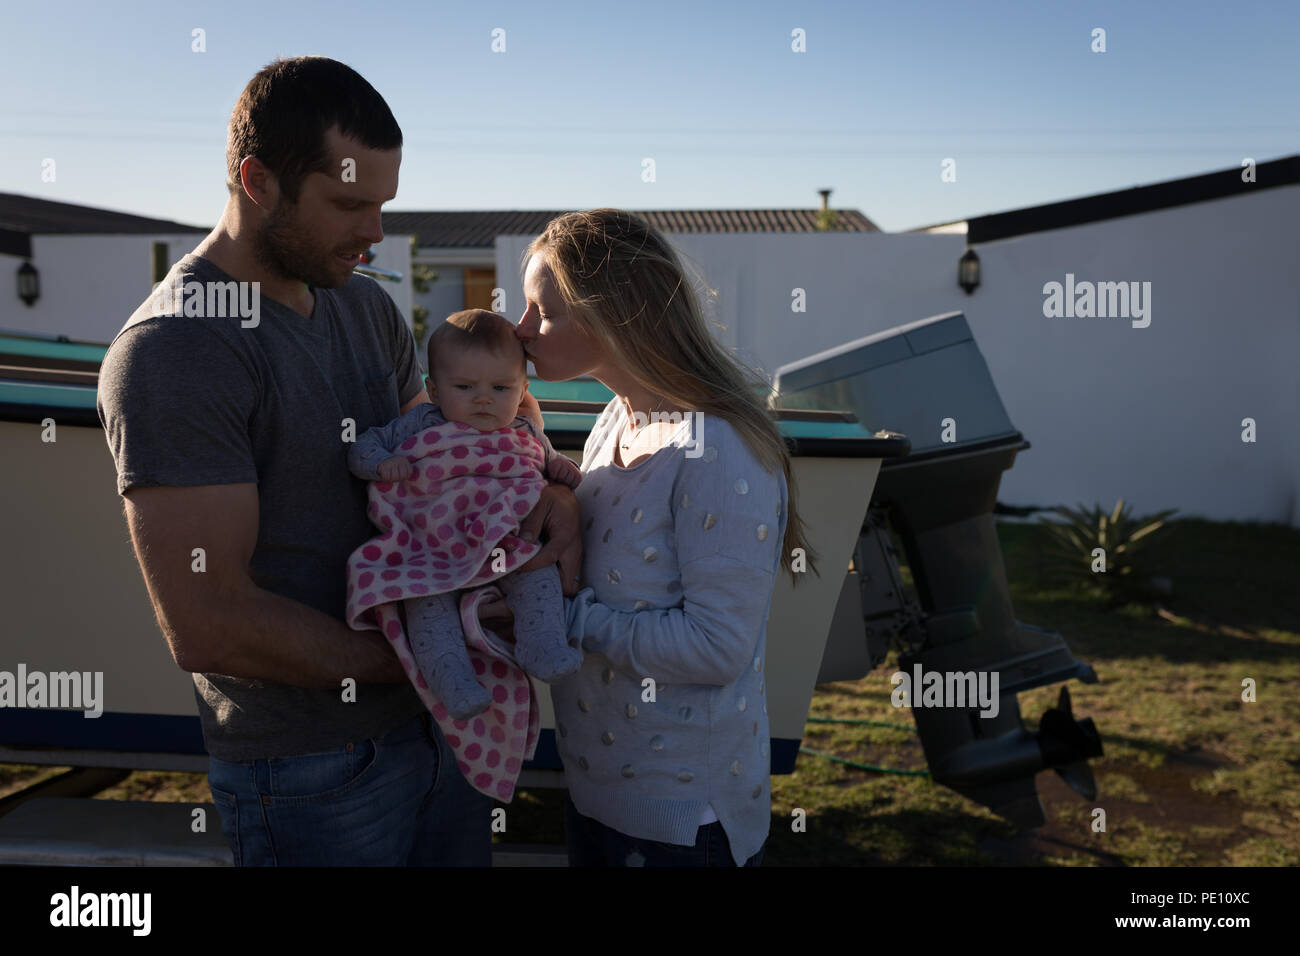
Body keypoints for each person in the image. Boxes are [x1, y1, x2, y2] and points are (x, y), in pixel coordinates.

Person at [95, 56, 581, 866]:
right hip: (311, 771)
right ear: (257, 181)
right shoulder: (177, 350)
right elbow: (211, 624)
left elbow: (452, 452)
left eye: (383, 204)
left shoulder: (367, 308)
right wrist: (433, 657)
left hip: (445, 733)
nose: (375, 232)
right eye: (350, 204)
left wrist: (551, 492)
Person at [510, 208, 820, 867]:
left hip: (683, 824)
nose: (521, 329)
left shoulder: (716, 452)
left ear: (615, 315)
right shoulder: (616, 420)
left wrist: (562, 619)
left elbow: (715, 649)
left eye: (543, 310)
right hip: (598, 790)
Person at [345, 309, 582, 720]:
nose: (484, 398)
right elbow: (363, 445)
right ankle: (450, 680)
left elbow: (547, 460)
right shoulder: (421, 423)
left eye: (501, 387)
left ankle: (542, 645)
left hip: (508, 540)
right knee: (425, 603)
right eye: (465, 386)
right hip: (432, 545)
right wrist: (382, 464)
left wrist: (561, 469)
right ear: (434, 391)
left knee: (539, 578)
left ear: (523, 389)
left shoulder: (525, 430)